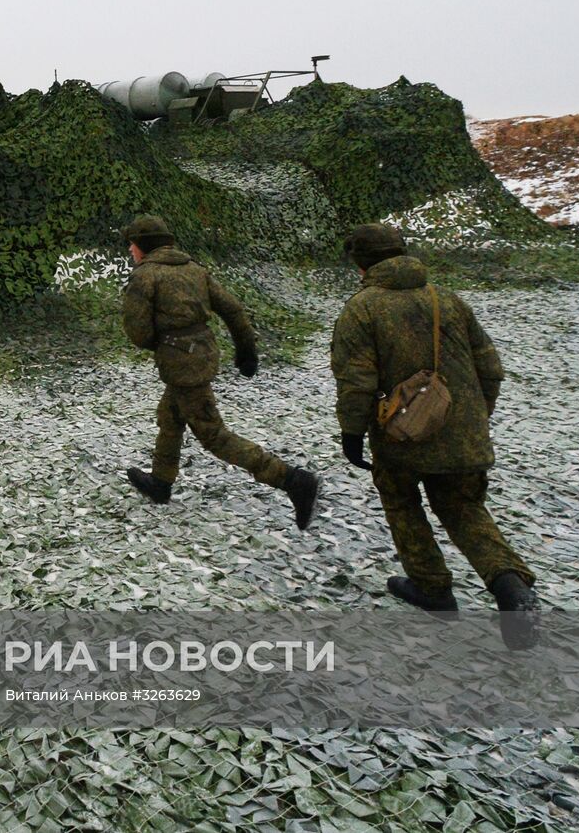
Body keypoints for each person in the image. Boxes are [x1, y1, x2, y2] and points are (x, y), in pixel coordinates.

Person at [329, 223, 539, 649]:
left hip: (400, 435)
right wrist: (474, 419)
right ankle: (511, 586)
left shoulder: (362, 308)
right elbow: (491, 368)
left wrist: (351, 432)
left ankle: (432, 588)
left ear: (359, 262)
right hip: (465, 430)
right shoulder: (448, 300)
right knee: (464, 509)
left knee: (402, 500)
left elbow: (357, 381)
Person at [120, 215, 320, 530]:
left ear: (142, 246)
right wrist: (246, 350)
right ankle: (161, 481)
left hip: (181, 364)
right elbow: (232, 308)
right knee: (171, 415)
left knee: (213, 435)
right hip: (202, 354)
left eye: (132, 244)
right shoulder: (195, 269)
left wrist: (162, 341)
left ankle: (292, 479)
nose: (130, 250)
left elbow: (137, 333)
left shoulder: (145, 277)